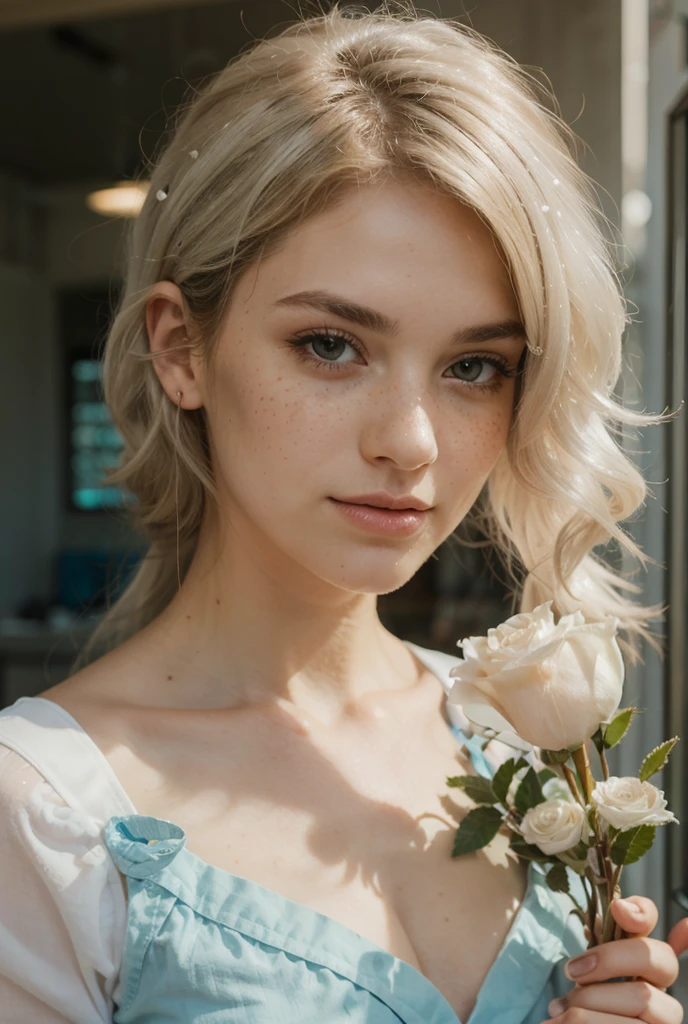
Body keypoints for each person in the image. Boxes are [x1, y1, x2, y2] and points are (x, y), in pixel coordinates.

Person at [0, 3, 686, 1022]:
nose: (410, 441)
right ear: (181, 347)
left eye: (472, 366)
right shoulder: (41, 812)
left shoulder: (515, 737)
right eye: (331, 344)